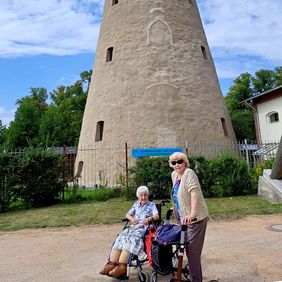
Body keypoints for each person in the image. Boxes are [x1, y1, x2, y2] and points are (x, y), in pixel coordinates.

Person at [99, 185, 159, 278]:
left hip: (143, 229)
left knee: (130, 239)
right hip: (133, 227)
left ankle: (122, 267)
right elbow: (127, 214)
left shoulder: (151, 205)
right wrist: (131, 219)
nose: (143, 197)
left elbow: (157, 216)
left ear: (147, 195)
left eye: (145, 195)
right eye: (141, 195)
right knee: (121, 237)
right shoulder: (136, 204)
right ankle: (111, 264)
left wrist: (149, 218)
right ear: (138, 196)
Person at [169, 152, 209, 282]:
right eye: (174, 162)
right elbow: (178, 194)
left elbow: (194, 193)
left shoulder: (189, 173)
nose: (177, 165)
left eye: (179, 161)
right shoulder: (174, 175)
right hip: (183, 220)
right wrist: (176, 208)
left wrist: (192, 214)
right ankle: (192, 276)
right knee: (183, 248)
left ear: (185, 162)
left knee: (192, 253)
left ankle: (196, 279)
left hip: (196, 220)